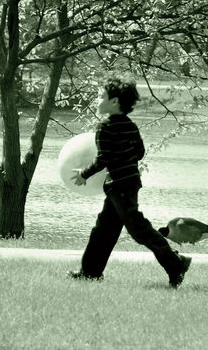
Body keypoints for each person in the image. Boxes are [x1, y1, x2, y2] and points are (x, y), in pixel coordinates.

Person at [69, 75, 192, 288]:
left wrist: (84, 174)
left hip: (120, 186)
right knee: (104, 230)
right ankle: (90, 272)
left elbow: (102, 160)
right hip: (129, 183)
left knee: (139, 230)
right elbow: (140, 152)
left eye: (100, 96)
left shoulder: (105, 128)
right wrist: (123, 159)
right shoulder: (131, 126)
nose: (97, 100)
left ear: (114, 101)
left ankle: (176, 263)